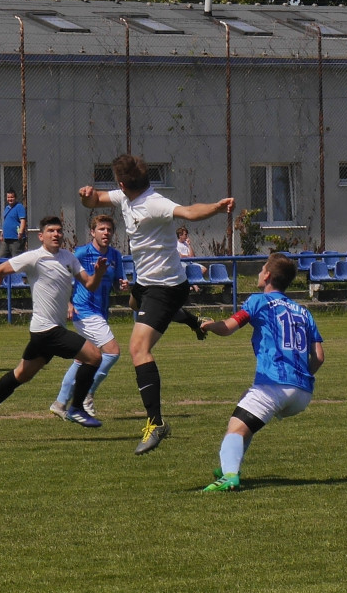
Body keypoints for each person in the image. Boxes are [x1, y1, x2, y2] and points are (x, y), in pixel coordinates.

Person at [79, 153, 234, 455]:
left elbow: (189, 212)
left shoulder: (154, 203)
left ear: (123, 183)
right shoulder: (123, 198)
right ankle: (192, 322)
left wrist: (216, 207)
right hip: (145, 283)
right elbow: (94, 200)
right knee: (135, 304)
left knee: (139, 347)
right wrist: (85, 197)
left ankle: (156, 422)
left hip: (166, 287)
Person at [0, 215, 107, 442]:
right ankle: (77, 408)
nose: (56, 234)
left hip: (50, 330)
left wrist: (98, 273)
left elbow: (90, 284)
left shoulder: (68, 258)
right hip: (46, 330)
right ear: (41, 236)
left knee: (21, 374)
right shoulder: (34, 258)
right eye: (51, 231)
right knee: (94, 356)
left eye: (59, 230)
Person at [200, 253, 325, 492]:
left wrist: (208, 325)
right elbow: (319, 357)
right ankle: (230, 465)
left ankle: (229, 476)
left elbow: (228, 327)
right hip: (303, 392)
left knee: (235, 428)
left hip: (274, 384)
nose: (259, 273)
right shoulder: (302, 311)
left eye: (261, 269)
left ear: (267, 275)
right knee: (246, 419)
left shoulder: (259, 301)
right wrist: (299, 378)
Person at [50, 214, 129, 419]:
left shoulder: (115, 255)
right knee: (112, 351)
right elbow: (64, 277)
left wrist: (123, 285)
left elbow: (118, 284)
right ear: (92, 232)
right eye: (101, 229)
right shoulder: (82, 253)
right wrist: (67, 302)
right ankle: (86, 393)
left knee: (83, 359)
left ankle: (59, 403)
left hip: (100, 311)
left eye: (109, 230)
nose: (106, 233)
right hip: (83, 310)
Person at [1, 189, 27, 258]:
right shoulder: (7, 208)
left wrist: (20, 233)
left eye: (12, 197)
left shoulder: (19, 207)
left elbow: (23, 221)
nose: (10, 199)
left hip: (16, 238)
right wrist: (2, 233)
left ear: (15, 198)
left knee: (16, 258)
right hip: (6, 238)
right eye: (8, 197)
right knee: (2, 258)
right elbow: (6, 221)